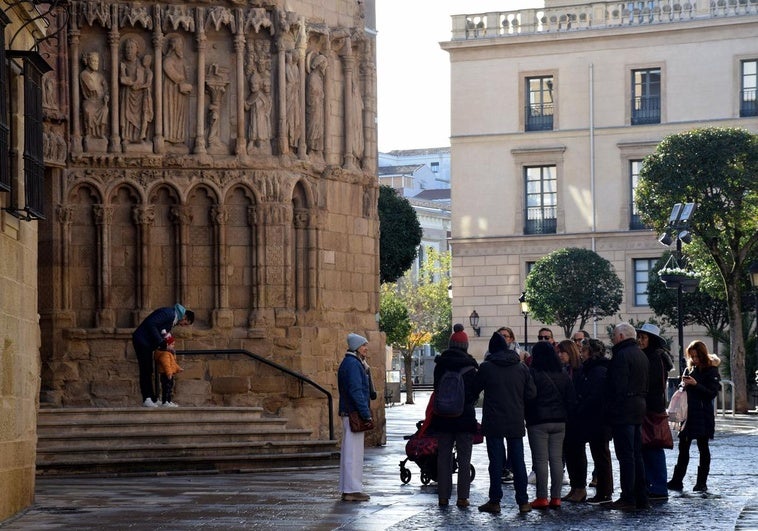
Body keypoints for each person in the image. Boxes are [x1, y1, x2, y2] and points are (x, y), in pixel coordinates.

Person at [474, 331, 536, 514]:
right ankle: (523, 501)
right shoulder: (521, 367)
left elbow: (474, 390)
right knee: (518, 461)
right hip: (515, 419)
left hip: (493, 420)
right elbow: (531, 394)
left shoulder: (486, 367)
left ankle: (495, 501)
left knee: (496, 462)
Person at [429, 329, 479, 508]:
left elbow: (436, 389)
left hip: (442, 417)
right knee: (464, 459)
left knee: (443, 457)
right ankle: (463, 498)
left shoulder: (440, 365)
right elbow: (474, 393)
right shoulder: (470, 367)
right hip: (464, 418)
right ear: (465, 346)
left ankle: (443, 497)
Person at [526, 341, 576, 509]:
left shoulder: (533, 373)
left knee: (540, 460)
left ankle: (542, 497)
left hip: (538, 421)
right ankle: (556, 497)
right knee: (556, 460)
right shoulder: (563, 374)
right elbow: (571, 399)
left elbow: (529, 396)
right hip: (560, 421)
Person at [564, 338, 614, 505]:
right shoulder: (592, 369)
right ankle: (597, 491)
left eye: (584, 351)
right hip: (593, 419)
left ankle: (604, 493)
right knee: (598, 456)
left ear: (591, 352)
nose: (581, 354)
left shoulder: (598, 370)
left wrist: (579, 407)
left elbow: (594, 396)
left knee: (601, 457)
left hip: (598, 420)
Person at [667, 340, 721, 492]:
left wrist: (696, 384)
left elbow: (711, 393)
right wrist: (683, 384)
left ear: (702, 355)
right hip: (687, 414)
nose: (694, 359)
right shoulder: (689, 369)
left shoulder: (711, 371)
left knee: (703, 448)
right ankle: (677, 480)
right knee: (683, 447)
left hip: (703, 415)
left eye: (697, 356)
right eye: (692, 356)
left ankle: (701, 483)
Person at [607, 322, 649, 511]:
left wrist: (611, 408)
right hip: (638, 406)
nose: (613, 339)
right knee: (636, 455)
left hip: (624, 409)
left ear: (622, 336)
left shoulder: (621, 355)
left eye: (615, 335)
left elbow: (617, 386)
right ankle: (641, 496)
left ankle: (628, 497)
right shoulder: (641, 354)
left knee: (626, 456)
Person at [636, 323, 673, 501]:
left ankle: (658, 486)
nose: (640, 340)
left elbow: (654, 384)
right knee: (648, 447)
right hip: (649, 406)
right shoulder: (652, 356)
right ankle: (654, 484)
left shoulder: (655, 358)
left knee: (654, 447)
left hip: (651, 407)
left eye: (644, 337)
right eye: (639, 337)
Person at [132, 304, 194, 407]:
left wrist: (167, 346)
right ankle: (147, 398)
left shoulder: (171, 319)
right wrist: (163, 344)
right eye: (185, 323)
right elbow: (151, 324)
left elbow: (162, 332)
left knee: (149, 370)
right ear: (184, 317)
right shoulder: (168, 314)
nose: (183, 325)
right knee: (145, 369)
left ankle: (152, 398)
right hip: (142, 341)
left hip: (146, 343)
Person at [338, 333, 373, 502]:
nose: (366, 348)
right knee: (353, 453)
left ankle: (349, 488)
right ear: (356, 347)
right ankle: (352, 489)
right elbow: (356, 391)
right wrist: (366, 413)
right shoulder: (353, 364)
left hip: (350, 411)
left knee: (350, 451)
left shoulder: (352, 363)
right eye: (363, 345)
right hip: (354, 412)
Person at [163, 35, 192, 144]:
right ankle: (168, 137)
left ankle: (178, 138)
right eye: (179, 45)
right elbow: (173, 74)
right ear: (173, 46)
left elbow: (187, 75)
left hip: (180, 92)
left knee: (180, 114)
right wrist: (182, 79)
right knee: (170, 112)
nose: (181, 47)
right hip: (170, 91)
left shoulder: (183, 61)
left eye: (182, 45)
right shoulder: (168, 60)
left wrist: (187, 82)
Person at [80, 51, 109, 139]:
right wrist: (100, 93)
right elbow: (92, 89)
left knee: (105, 110)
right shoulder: (84, 74)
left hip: (100, 101)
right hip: (90, 101)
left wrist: (106, 95)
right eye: (94, 61)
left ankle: (101, 133)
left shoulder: (100, 76)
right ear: (88, 62)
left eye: (97, 61)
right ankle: (88, 133)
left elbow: (106, 88)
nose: (96, 63)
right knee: (88, 110)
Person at [153, 329, 182, 407]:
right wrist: (169, 373)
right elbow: (167, 365)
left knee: (169, 388)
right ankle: (165, 401)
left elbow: (173, 363)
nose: (173, 346)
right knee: (166, 388)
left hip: (169, 374)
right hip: (166, 374)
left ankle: (168, 401)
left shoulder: (169, 353)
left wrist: (178, 368)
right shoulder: (165, 354)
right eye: (172, 344)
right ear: (166, 345)